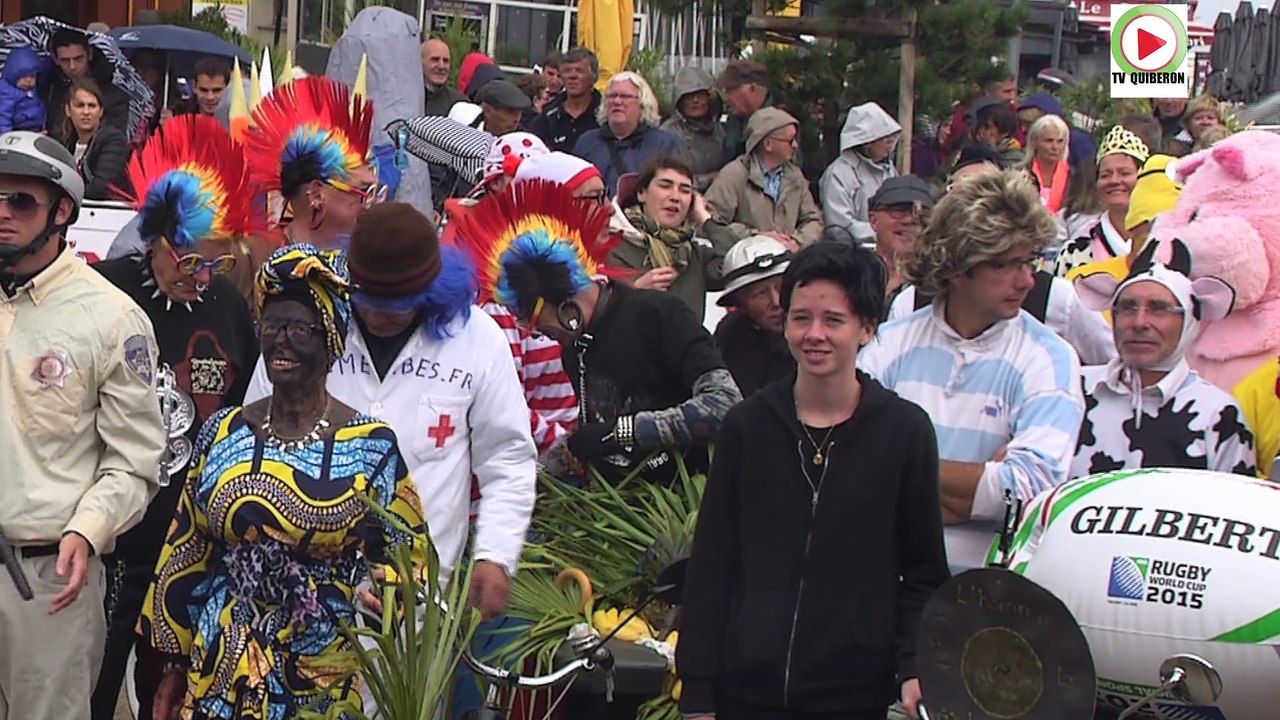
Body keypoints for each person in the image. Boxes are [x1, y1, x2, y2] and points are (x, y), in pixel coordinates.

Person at [140, 244, 428, 720]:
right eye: (271, 326)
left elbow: (412, 555)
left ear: (331, 339)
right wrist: (171, 662)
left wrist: (387, 593)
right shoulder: (224, 431)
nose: (281, 341)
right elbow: (187, 547)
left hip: (320, 666)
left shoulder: (370, 445)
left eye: (299, 329)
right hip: (221, 660)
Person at [677, 241, 949, 720]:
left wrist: (912, 665)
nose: (814, 334)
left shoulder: (905, 432)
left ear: (867, 328)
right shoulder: (748, 426)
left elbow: (923, 573)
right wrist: (698, 691)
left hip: (854, 693)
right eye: (801, 318)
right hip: (745, 690)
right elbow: (712, 563)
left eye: (834, 321)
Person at [245, 203, 537, 601]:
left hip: (419, 606)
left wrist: (496, 555)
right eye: (371, 303)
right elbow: (251, 443)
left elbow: (506, 458)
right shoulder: (300, 334)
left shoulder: (478, 341)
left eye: (398, 305)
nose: (382, 317)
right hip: (300, 596)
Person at [87, 115, 260, 720]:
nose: (204, 278)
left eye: (218, 264)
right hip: (110, 543)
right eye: (192, 264)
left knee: (170, 699)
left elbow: (243, 413)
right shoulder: (102, 294)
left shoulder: (230, 306)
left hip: (189, 545)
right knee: (96, 688)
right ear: (159, 240)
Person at [0, 130, 165, 718]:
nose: (3, 213)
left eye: (20, 201)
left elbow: (137, 459)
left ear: (63, 210)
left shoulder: (112, 317)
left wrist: (87, 530)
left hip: (49, 581)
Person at [859, 169, 1085, 571]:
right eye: (1005, 265)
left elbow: (1028, 493)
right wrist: (982, 480)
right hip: (879, 581)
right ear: (959, 267)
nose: (1027, 280)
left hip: (986, 597)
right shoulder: (888, 345)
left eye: (1028, 261)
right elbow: (846, 464)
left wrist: (900, 468)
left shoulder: (1051, 357)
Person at [453, 177, 742, 484]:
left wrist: (623, 432)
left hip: (691, 501)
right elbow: (597, 431)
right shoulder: (574, 347)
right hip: (626, 508)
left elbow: (723, 404)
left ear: (564, 303)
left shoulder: (660, 315)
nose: (535, 333)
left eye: (530, 319)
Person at [1072, 240, 1255, 478]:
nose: (1139, 323)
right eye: (1127, 307)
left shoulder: (1218, 413)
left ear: (1189, 321)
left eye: (1159, 308)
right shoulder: (1071, 388)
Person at [245, 76, 382, 250]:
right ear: (317, 195)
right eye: (365, 192)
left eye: (377, 192)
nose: (376, 206)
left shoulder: (373, 264)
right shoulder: (256, 261)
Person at [609, 154, 738, 320]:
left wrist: (705, 219)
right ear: (642, 193)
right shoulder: (612, 246)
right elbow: (597, 319)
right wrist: (635, 293)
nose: (675, 197)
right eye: (665, 186)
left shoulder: (694, 254)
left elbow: (737, 263)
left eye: (685, 190)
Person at [705, 108, 823, 249]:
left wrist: (797, 242)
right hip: (747, 264)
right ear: (768, 144)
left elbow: (814, 220)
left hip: (790, 264)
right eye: (790, 140)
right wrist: (756, 237)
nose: (795, 146)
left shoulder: (795, 176)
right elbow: (709, 223)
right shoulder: (734, 175)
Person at [1054, 125, 1149, 277]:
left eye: (1124, 173)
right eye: (1105, 175)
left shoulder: (1162, 242)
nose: (1114, 180)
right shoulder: (1076, 250)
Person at [573, 72, 685, 196]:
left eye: (625, 96)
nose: (617, 101)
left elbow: (677, 188)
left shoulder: (664, 143)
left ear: (642, 104)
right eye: (612, 96)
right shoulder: (587, 141)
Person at [713, 235, 795, 396]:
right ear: (740, 304)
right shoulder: (730, 337)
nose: (776, 301)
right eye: (760, 294)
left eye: (781, 287)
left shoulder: (818, 334)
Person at [819, 101, 902, 241]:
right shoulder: (839, 174)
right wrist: (884, 230)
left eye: (892, 136)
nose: (890, 142)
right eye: (884, 137)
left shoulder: (889, 170)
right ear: (867, 141)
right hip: (852, 251)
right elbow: (840, 225)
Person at [43, 28, 130, 135]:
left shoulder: (113, 93)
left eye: (78, 59)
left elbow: (115, 135)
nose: (72, 66)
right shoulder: (51, 88)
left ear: (90, 54)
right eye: (65, 60)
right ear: (56, 59)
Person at [61, 77, 131, 200]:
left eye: (92, 106)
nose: (86, 112)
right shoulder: (66, 145)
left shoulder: (114, 140)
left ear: (100, 112)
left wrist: (62, 194)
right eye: (80, 105)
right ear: (68, 110)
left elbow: (103, 188)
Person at [661, 66, 725, 192]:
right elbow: (664, 176)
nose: (695, 101)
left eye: (700, 95)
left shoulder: (720, 131)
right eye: (689, 96)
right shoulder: (667, 134)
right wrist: (706, 180)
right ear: (679, 101)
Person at [528, 46, 602, 153]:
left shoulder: (605, 114)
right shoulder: (549, 115)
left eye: (579, 71)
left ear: (593, 77)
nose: (572, 76)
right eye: (567, 71)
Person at [718, 59, 775, 166]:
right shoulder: (735, 122)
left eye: (730, 90)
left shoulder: (778, 126)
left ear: (753, 89)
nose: (726, 98)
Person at [1021, 114, 1071, 214]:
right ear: (1035, 142)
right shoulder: (1017, 174)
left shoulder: (1074, 178)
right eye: (1049, 141)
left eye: (1060, 141)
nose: (1055, 147)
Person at [0, 45, 48, 134]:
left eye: (32, 76)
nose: (29, 80)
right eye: (24, 76)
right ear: (13, 74)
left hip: (36, 128)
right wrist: (5, 136)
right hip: (17, 132)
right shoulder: (7, 93)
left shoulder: (32, 90)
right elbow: (3, 116)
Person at [423, 37, 466, 116]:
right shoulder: (403, 100)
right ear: (421, 62)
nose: (441, 66)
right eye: (435, 59)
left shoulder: (460, 103)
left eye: (445, 61)